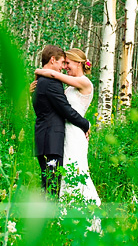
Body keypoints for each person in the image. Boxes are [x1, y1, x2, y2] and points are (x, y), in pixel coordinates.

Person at [34, 48, 101, 207]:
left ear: (78, 63)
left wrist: (39, 71)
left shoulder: (84, 82)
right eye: (63, 63)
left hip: (76, 133)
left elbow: (54, 75)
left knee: (75, 171)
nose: (65, 67)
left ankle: (83, 211)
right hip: (64, 133)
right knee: (62, 175)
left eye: (68, 63)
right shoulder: (70, 87)